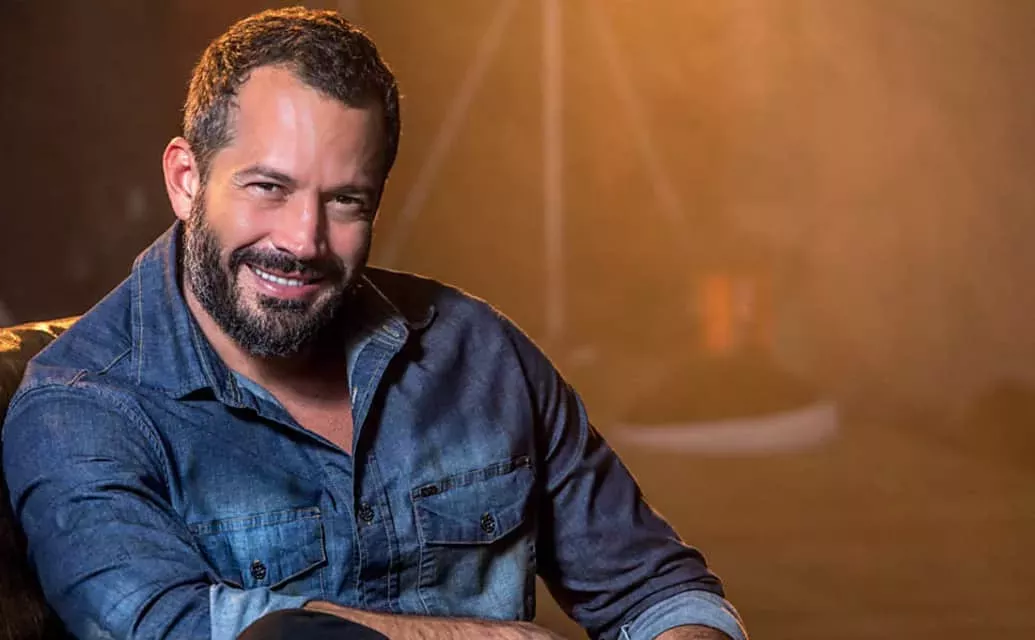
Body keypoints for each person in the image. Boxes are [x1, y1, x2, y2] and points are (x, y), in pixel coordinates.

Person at [1, 7, 748, 640]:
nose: (303, 240)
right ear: (185, 179)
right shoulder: (83, 405)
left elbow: (658, 590)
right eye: (268, 187)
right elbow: (173, 630)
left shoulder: (477, 352)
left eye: (345, 201)